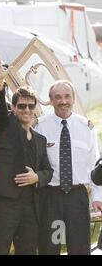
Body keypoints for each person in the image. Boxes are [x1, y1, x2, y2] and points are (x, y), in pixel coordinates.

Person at [0, 55, 53, 255]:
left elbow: (48, 171)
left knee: (28, 250)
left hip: (30, 206)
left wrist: (37, 177)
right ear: (13, 108)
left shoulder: (40, 139)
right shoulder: (5, 125)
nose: (26, 110)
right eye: (21, 106)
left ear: (35, 109)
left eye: (30, 106)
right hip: (4, 202)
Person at [35, 80, 102, 255]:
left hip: (77, 196)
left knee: (80, 248)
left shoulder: (87, 128)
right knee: (49, 247)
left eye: (67, 96)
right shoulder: (40, 127)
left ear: (73, 98)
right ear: (51, 101)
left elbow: (96, 168)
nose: (63, 101)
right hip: (50, 196)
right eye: (57, 97)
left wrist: (97, 197)